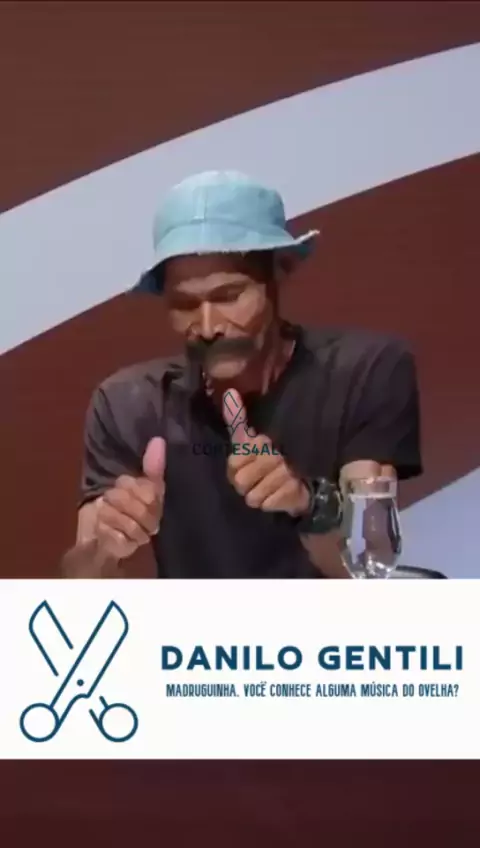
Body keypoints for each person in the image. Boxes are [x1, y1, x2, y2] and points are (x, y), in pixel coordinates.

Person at [62, 170, 422, 579]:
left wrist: (304, 502)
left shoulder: (364, 370)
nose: (207, 326)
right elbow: (79, 581)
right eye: (184, 304)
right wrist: (106, 548)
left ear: (280, 271)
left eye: (229, 296)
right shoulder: (128, 404)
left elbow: (370, 564)